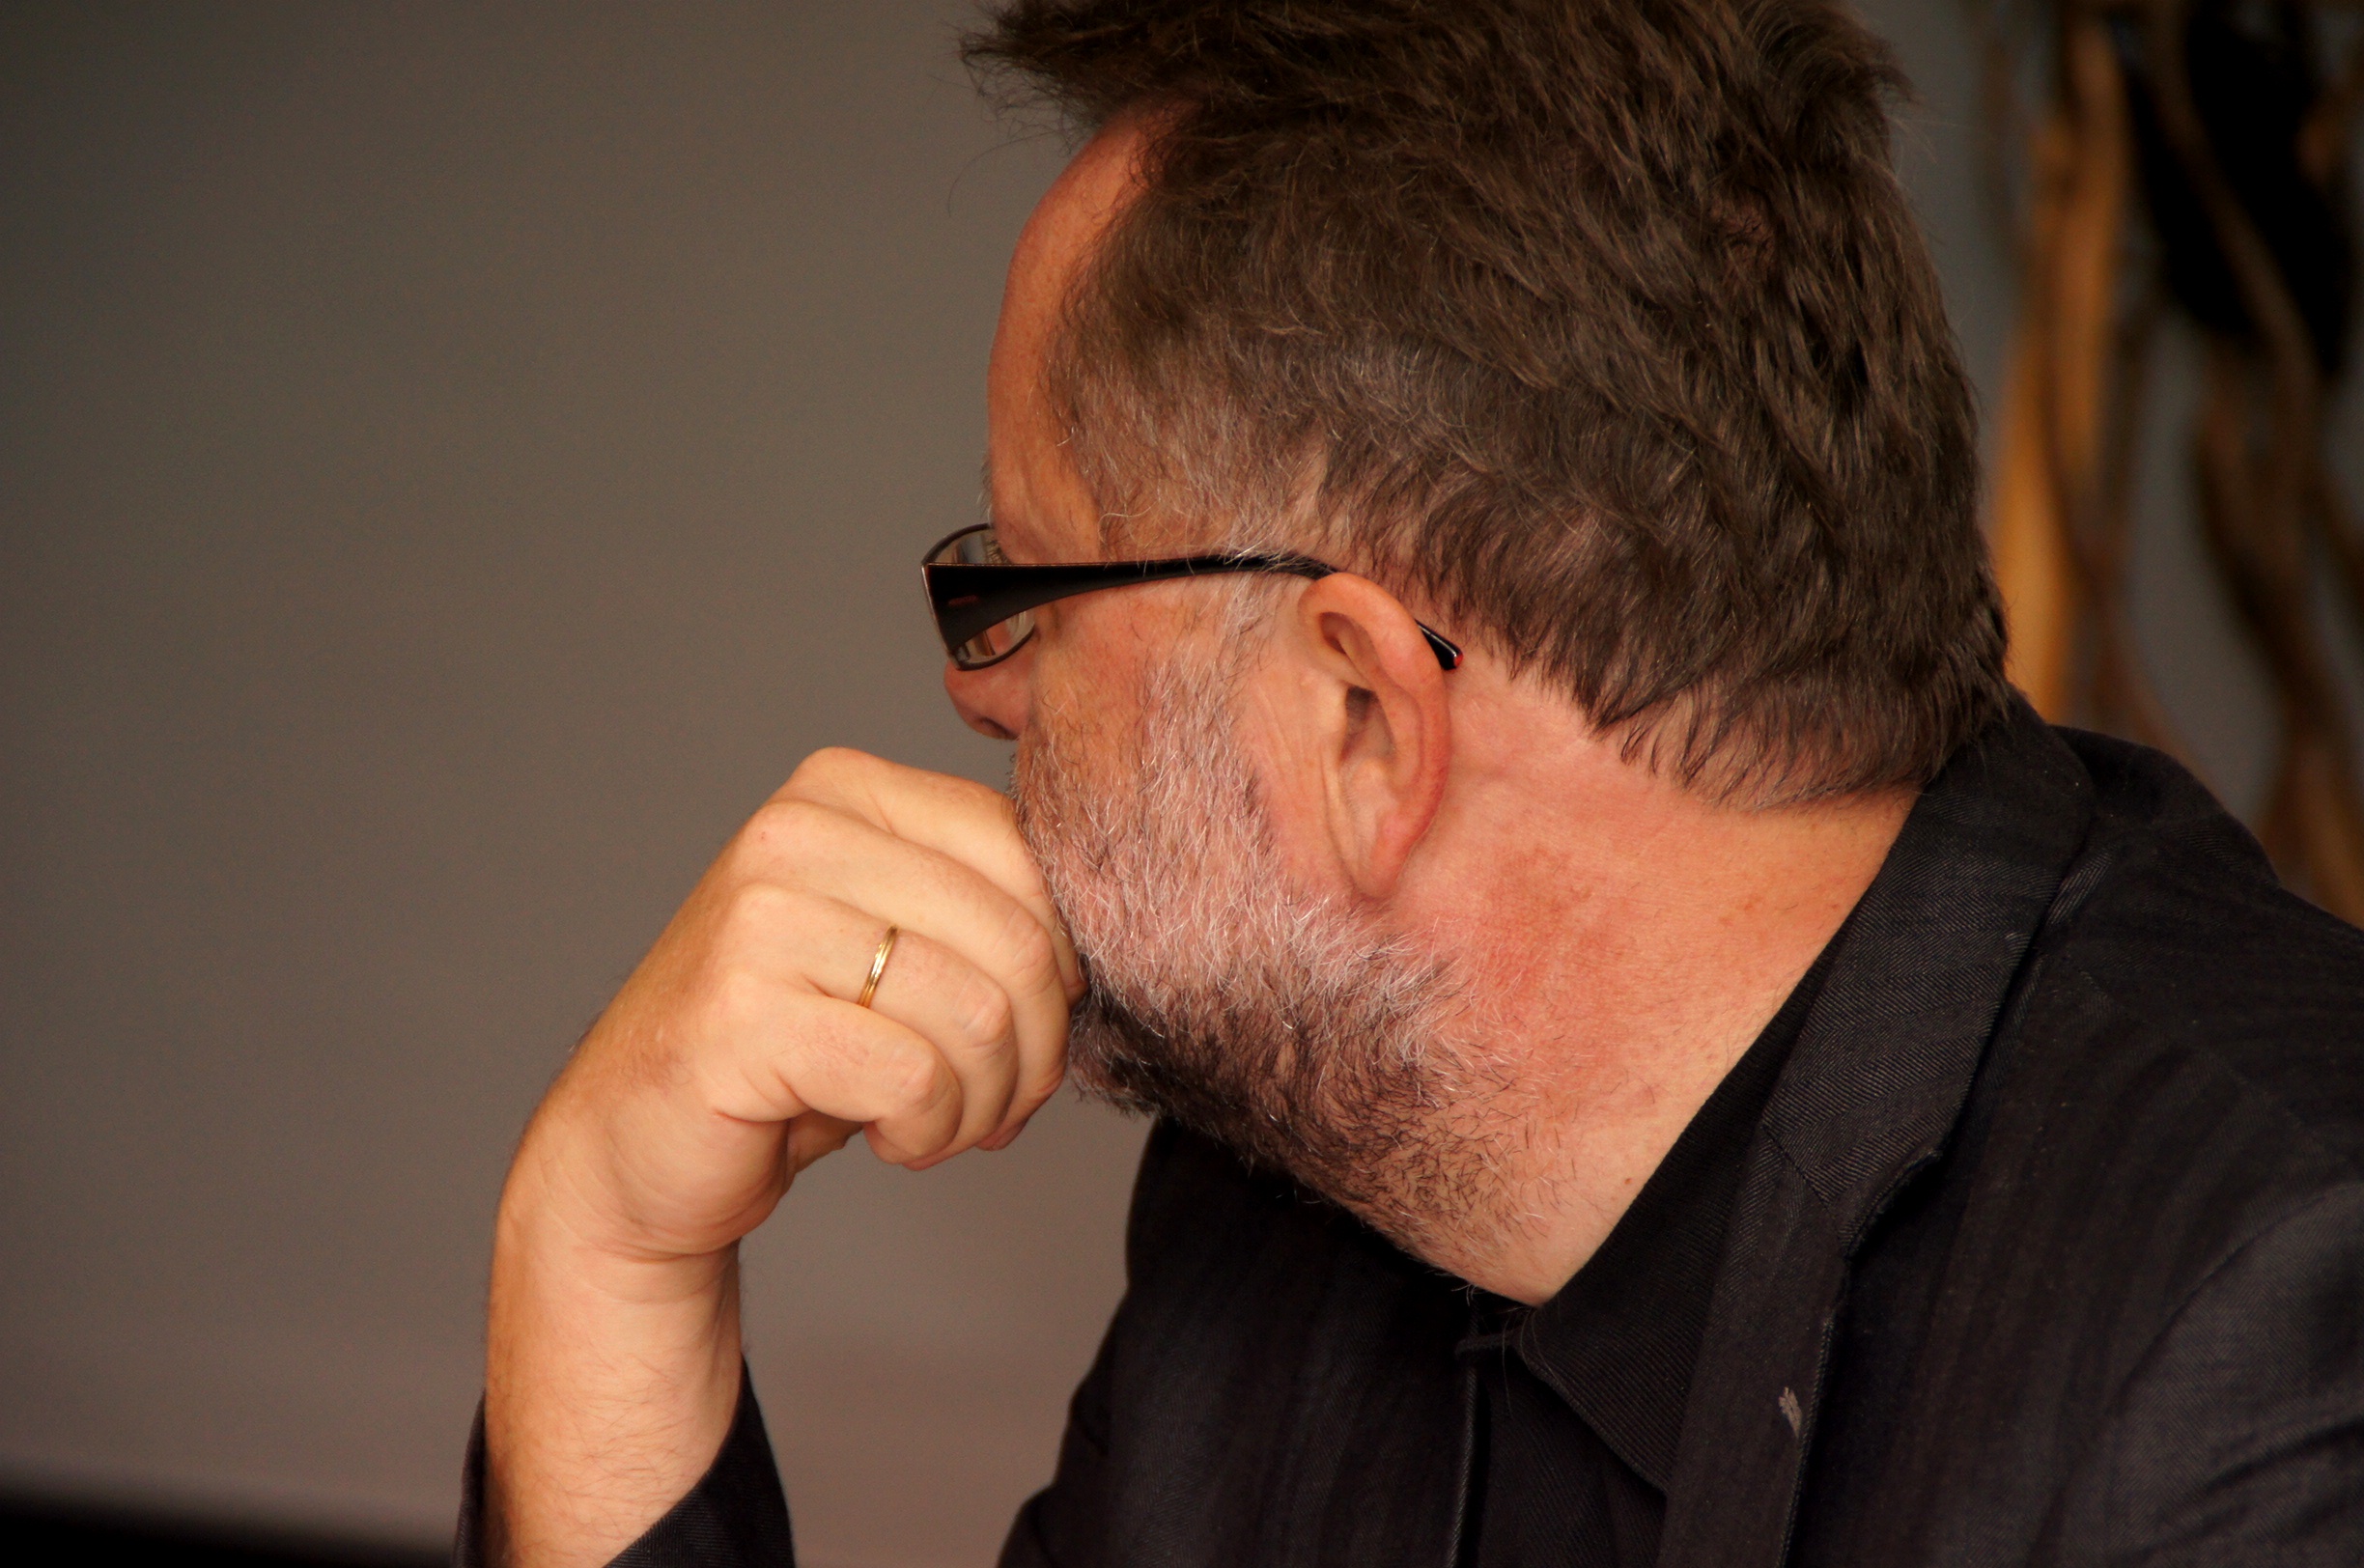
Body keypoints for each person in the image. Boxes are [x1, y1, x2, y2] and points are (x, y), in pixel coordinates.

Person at [459, 2, 2364, 1564]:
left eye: (1024, 588)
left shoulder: (2278, 1327)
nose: (980, 689)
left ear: (1367, 713)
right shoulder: (1291, 1189)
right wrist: (604, 1259)